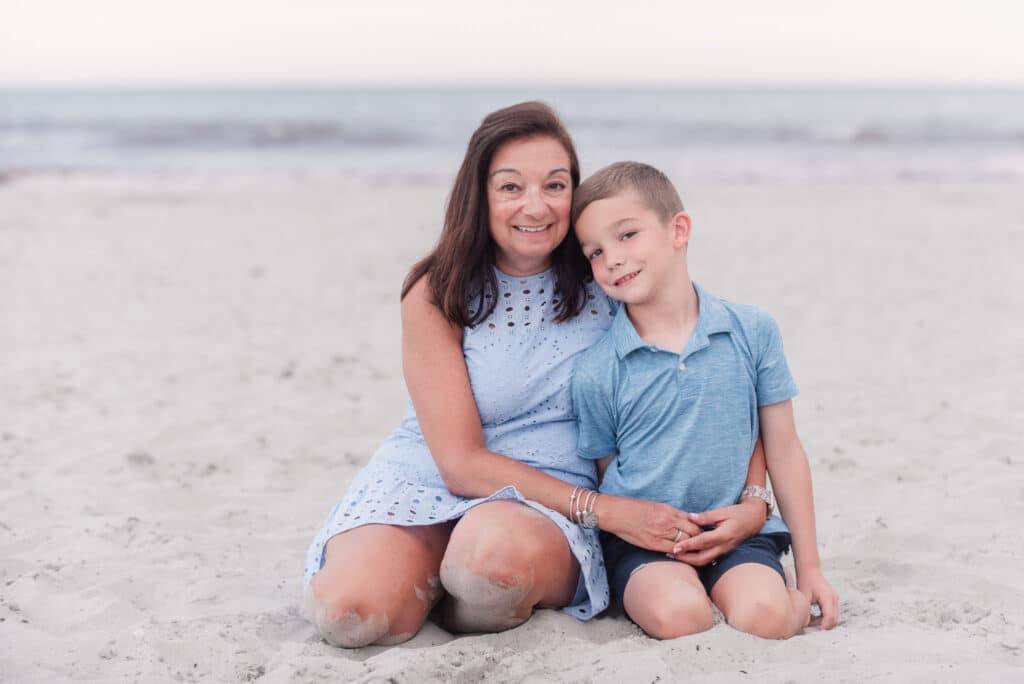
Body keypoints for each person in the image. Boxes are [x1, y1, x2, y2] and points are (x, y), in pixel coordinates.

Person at [302, 103, 770, 648]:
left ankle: (461, 597)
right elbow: (459, 463)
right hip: (432, 473)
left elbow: (722, 370)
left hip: (552, 495)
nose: (535, 205)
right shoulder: (437, 290)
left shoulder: (609, 271)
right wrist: (610, 512)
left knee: (487, 568)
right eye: (510, 187)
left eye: (555, 185)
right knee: (350, 614)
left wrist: (753, 497)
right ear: (480, 195)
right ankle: (419, 578)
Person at [570, 161, 840, 639]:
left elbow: (783, 448)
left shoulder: (752, 331)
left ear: (679, 230)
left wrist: (810, 566)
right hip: (646, 545)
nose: (611, 258)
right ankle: (686, 593)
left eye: (627, 235)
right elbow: (607, 474)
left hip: (738, 531)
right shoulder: (597, 369)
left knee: (768, 619)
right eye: (594, 251)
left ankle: (782, 593)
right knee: (681, 617)